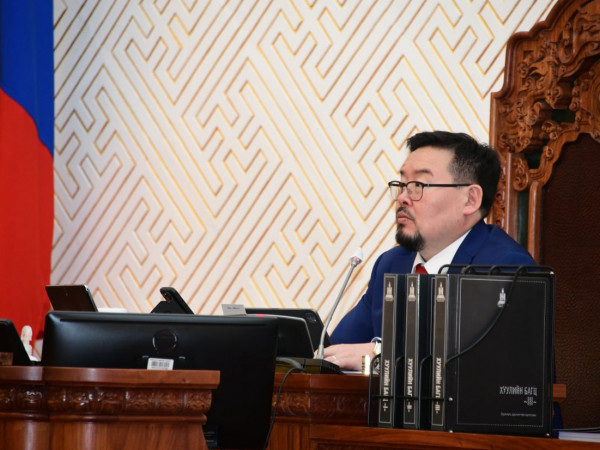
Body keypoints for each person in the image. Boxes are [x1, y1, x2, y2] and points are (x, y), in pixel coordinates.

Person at [323, 130, 535, 371]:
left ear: (470, 200)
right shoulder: (392, 264)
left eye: (418, 185)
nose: (402, 198)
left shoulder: (505, 269)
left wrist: (381, 355)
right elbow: (336, 353)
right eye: (402, 184)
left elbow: (484, 366)